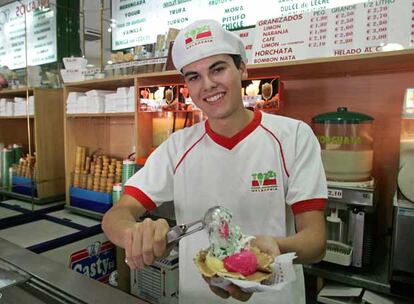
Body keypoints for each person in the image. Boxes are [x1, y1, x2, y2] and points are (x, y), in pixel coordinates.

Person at [102, 19, 327, 303]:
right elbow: (115, 216)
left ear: (242, 68)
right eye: (194, 77)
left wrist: (274, 249)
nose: (208, 85)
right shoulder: (177, 147)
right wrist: (136, 234)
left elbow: (316, 241)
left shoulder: (292, 136)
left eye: (218, 69)